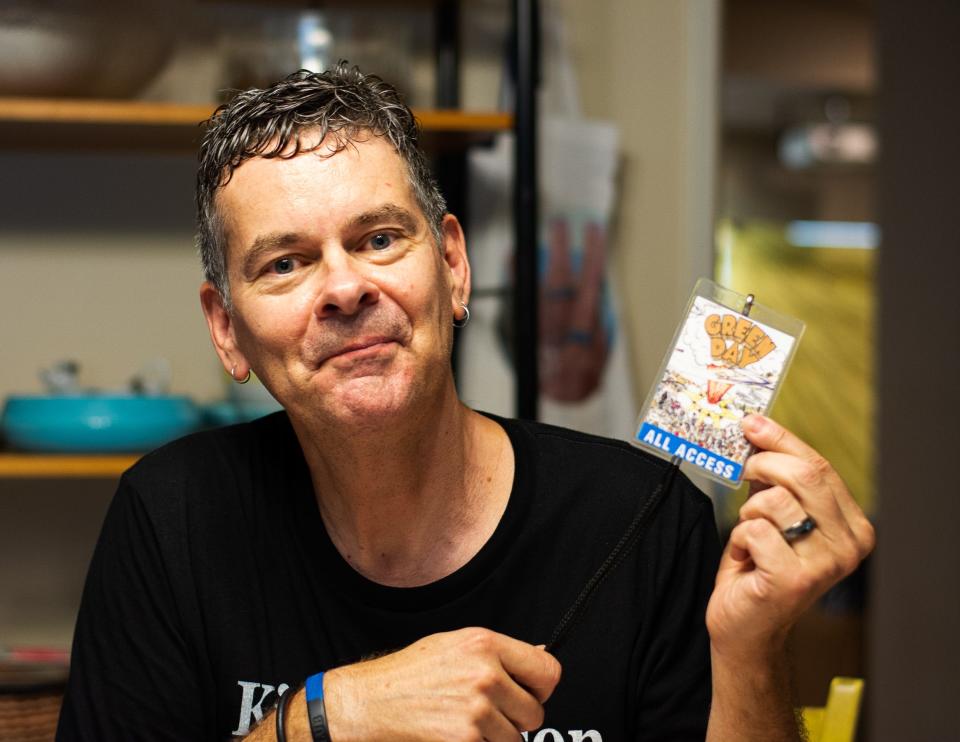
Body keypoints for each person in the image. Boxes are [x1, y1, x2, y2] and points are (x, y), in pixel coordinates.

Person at [56, 65, 874, 742]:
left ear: (453, 266)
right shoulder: (171, 517)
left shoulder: (647, 522)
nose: (345, 288)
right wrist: (331, 715)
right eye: (285, 264)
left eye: (379, 239)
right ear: (226, 329)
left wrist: (752, 650)